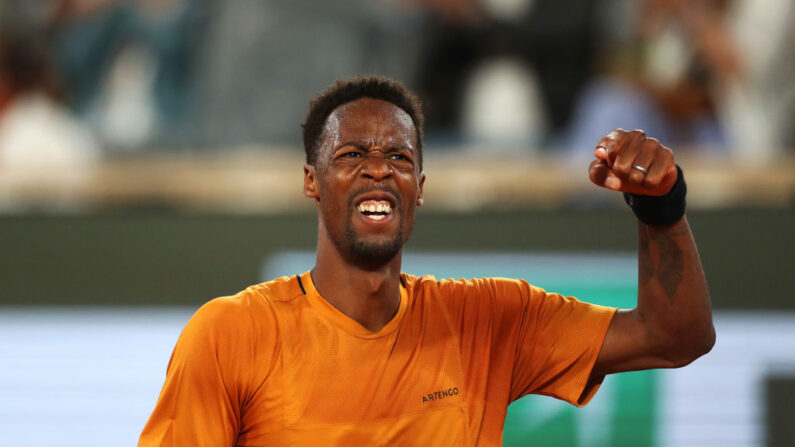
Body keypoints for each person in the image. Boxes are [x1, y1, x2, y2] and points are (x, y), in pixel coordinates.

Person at [139, 76, 714, 446]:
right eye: (352, 154)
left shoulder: (487, 318)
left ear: (419, 186)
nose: (378, 169)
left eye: (398, 156)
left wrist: (660, 207)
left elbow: (674, 336)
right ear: (312, 181)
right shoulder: (231, 333)